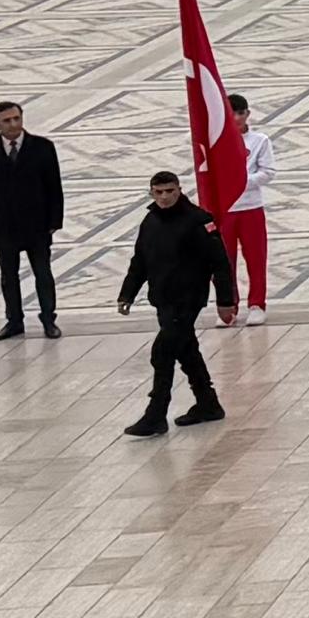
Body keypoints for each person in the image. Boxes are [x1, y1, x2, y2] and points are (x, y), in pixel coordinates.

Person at [114, 169, 228, 435]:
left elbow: (220, 263)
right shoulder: (150, 221)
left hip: (188, 300)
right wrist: (127, 293)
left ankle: (156, 414)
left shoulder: (199, 221)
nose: (164, 197)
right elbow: (140, 261)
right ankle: (207, 403)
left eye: (170, 191)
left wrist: (225, 300)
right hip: (163, 300)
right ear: (151, 193)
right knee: (186, 350)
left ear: (179, 190)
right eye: (159, 192)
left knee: (162, 352)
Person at [0, 100, 63, 339]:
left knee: (43, 273)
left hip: (37, 224)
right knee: (8, 276)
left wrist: (55, 220)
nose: (13, 124)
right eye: (7, 120)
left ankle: (48, 319)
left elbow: (54, 186)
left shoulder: (43, 147)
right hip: (3, 226)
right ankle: (14, 321)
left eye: (16, 118)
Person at [221, 96, 278, 322]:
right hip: (224, 209)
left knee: (255, 257)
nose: (236, 118)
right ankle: (228, 306)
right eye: (231, 113)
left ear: (247, 114)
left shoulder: (259, 140)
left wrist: (242, 182)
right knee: (224, 260)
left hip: (251, 207)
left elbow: (268, 171)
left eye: (240, 113)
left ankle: (257, 304)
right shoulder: (214, 140)